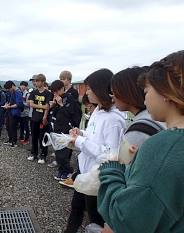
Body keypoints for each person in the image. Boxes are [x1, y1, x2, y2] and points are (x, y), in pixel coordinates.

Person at [98, 51, 184, 233]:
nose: (144, 98)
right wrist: (146, 162)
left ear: (166, 92)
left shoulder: (163, 145)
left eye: (146, 91)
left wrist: (112, 172)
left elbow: (126, 220)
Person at [64, 69, 126, 233]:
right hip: (86, 174)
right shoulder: (98, 110)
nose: (87, 92)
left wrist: (80, 141)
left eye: (89, 88)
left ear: (100, 90)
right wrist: (81, 134)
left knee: (96, 219)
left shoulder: (113, 118)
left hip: (98, 179)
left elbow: (111, 155)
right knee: (76, 209)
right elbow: (93, 135)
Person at [49, 80, 76, 181]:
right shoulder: (57, 98)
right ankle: (61, 171)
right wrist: (54, 104)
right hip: (58, 126)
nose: (55, 94)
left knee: (63, 152)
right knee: (57, 150)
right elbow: (55, 114)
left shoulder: (69, 97)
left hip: (66, 127)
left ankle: (69, 170)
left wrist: (61, 104)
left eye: (57, 91)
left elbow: (70, 113)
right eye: (53, 92)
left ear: (62, 88)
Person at [27, 74, 52, 164]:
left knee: (43, 137)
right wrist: (42, 106)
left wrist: (45, 117)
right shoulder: (33, 92)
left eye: (38, 81)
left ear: (43, 82)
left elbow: (48, 107)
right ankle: (34, 153)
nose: (36, 83)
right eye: (35, 81)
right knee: (34, 136)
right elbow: (31, 104)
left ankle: (43, 155)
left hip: (43, 118)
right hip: (34, 117)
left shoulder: (48, 93)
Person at [3, 81, 24, 148]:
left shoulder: (18, 92)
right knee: (8, 126)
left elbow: (19, 104)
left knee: (13, 127)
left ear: (12, 86)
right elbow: (11, 102)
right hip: (10, 111)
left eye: (9, 88)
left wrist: (10, 106)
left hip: (15, 112)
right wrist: (8, 104)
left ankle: (14, 142)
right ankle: (10, 139)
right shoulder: (13, 92)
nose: (9, 90)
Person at [18, 81, 30, 145]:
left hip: (25, 113)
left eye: (24, 86)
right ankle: (21, 136)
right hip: (20, 113)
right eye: (21, 85)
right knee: (21, 125)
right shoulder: (19, 93)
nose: (22, 87)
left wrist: (21, 104)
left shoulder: (27, 94)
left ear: (26, 87)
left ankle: (26, 139)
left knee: (26, 126)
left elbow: (28, 104)